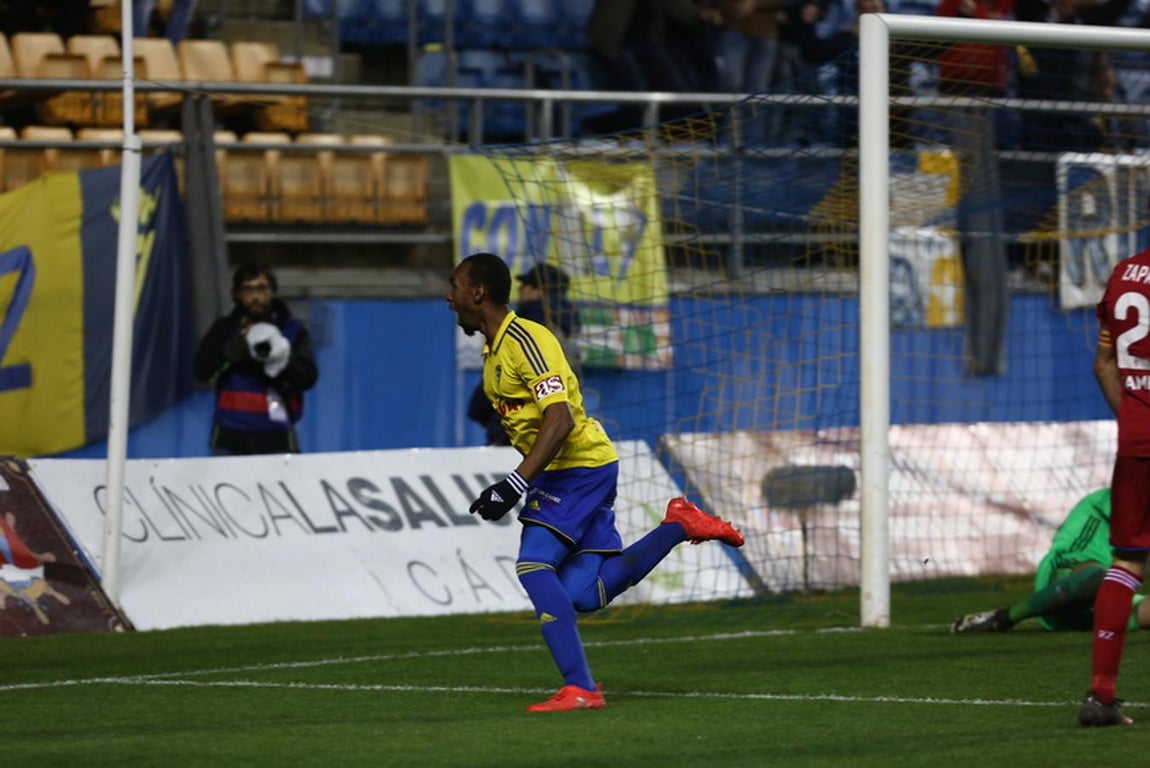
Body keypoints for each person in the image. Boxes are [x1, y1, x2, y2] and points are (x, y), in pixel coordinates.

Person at [446, 251, 745, 712]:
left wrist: (513, 484)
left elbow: (560, 418)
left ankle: (582, 688)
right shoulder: (494, 353)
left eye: (455, 286)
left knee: (533, 566)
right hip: (575, 469)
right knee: (582, 595)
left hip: (578, 466)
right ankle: (679, 525)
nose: (450, 298)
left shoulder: (527, 339)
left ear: (478, 291)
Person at [1078, 243, 1150, 727]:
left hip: (1138, 440)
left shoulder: (1126, 273)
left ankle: (1101, 696)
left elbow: (1104, 364)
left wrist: (1134, 423)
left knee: (1126, 562)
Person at [951, 488, 1150, 634]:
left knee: (1109, 585)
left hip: (1097, 611)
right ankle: (1003, 618)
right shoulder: (1111, 499)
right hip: (1060, 580)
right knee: (1096, 578)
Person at [193, 261, 318, 455]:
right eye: (247, 289)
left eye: (262, 288)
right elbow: (202, 373)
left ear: (272, 291)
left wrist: (274, 359)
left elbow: (307, 377)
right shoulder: (224, 329)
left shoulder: (291, 329)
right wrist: (234, 349)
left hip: (278, 438)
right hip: (229, 439)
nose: (255, 296)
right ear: (236, 294)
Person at [467, 261, 580, 446]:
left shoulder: (519, 328)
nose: (520, 291)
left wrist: (478, 410)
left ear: (538, 291)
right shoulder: (566, 332)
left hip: (516, 431)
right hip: (561, 432)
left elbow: (499, 379)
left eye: (525, 286)